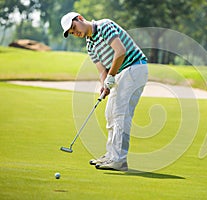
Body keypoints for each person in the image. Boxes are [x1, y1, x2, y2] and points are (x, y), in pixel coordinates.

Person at [60, 12, 148, 171]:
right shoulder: (89, 45)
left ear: (80, 18)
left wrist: (111, 76)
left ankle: (119, 160)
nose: (76, 33)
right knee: (110, 113)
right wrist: (104, 84)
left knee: (120, 113)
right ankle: (111, 155)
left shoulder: (104, 26)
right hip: (120, 73)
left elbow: (120, 51)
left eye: (74, 28)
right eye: (72, 33)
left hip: (135, 67)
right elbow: (102, 71)